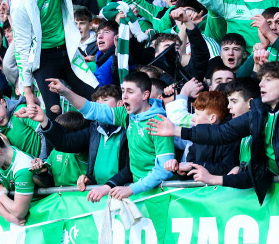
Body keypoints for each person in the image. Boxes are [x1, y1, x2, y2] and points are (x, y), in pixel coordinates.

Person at [148, 61, 279, 206]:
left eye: (268, 80)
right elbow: (220, 134)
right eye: (261, 80)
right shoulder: (258, 113)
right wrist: (176, 130)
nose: (261, 84)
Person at [11, 0, 108, 119]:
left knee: (96, 95)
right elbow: (21, 47)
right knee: (53, 110)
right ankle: (59, 147)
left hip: (67, 50)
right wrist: (28, 93)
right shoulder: (20, 2)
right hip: (44, 58)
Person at [36, 72, 175, 202]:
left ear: (145, 95)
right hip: (138, 195)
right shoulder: (127, 116)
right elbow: (92, 109)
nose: (125, 96)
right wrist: (65, 91)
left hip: (158, 194)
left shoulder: (159, 123)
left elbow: (164, 170)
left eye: (130, 92)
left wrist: (131, 189)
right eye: (123, 91)